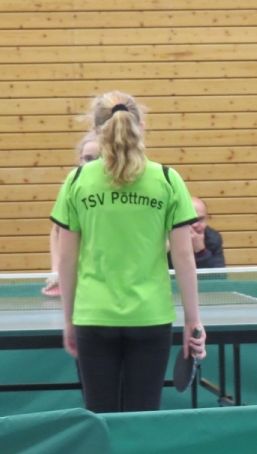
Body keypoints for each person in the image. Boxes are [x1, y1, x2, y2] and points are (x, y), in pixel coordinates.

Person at [50, 91, 206, 412]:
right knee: (142, 419)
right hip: (150, 317)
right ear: (141, 126)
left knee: (100, 416)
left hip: (93, 316)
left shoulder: (76, 181)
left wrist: (69, 320)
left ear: (96, 131)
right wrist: (193, 320)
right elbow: (183, 257)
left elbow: (66, 260)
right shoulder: (167, 179)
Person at [43, 131, 101, 296]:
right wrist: (56, 270)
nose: (92, 164)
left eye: (99, 159)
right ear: (80, 159)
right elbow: (57, 231)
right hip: (83, 275)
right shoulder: (72, 188)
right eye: (88, 159)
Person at [168, 197, 225, 269]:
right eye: (190, 219)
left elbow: (219, 274)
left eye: (200, 219)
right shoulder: (166, 238)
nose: (195, 225)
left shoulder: (213, 238)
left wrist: (201, 251)